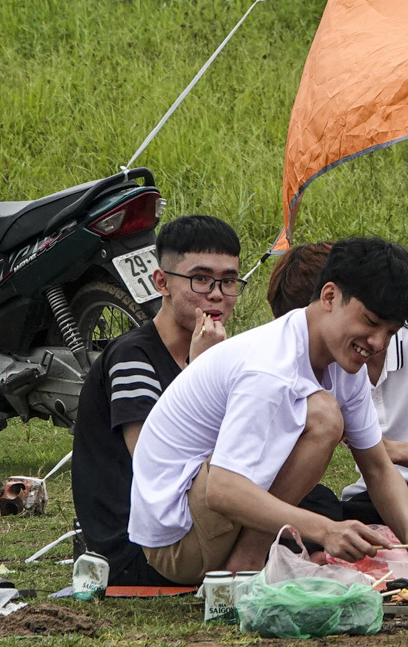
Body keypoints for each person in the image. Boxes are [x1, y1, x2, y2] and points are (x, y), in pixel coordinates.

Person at [127, 237, 408, 582]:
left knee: (323, 415)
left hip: (211, 519)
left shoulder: (344, 364)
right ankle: (242, 570)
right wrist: (326, 529)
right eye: (370, 322)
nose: (377, 343)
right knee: (322, 415)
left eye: (390, 333)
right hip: (179, 540)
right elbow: (223, 490)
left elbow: (378, 466)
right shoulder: (270, 367)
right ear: (330, 297)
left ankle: (246, 565)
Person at [270, 241, 408, 553]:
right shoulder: (307, 354)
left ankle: (370, 548)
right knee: (313, 506)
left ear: (333, 299)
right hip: (372, 498)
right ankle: (369, 546)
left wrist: (386, 450)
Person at [71, 215, 245, 587]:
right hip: (141, 548)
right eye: (200, 279)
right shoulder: (133, 357)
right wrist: (202, 372)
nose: (216, 294)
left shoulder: (222, 353)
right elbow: (157, 462)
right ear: (161, 282)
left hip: (193, 521)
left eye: (228, 281)